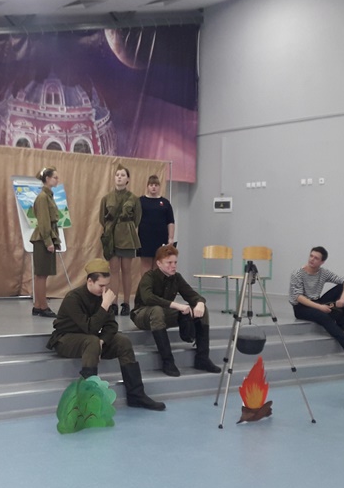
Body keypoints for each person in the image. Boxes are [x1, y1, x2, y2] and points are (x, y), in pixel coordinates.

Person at [46, 258, 166, 411]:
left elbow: (111, 326)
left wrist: (102, 341)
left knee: (123, 341)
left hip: (92, 340)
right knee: (91, 341)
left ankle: (136, 395)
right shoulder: (73, 298)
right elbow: (89, 328)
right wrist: (104, 306)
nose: (104, 290)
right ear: (90, 281)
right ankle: (88, 399)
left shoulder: (102, 297)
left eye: (106, 285)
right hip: (66, 339)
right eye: (101, 285)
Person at [132, 245, 222, 376]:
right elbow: (148, 298)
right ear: (159, 263)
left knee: (202, 310)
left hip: (164, 314)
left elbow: (192, 295)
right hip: (142, 314)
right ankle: (167, 361)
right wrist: (176, 305)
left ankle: (202, 358)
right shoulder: (149, 276)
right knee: (157, 311)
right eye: (169, 263)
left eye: (175, 262)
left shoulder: (176, 277)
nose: (173, 266)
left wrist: (200, 303)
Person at [289, 246, 344, 355]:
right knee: (323, 316)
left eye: (316, 258)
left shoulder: (323, 272)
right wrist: (320, 307)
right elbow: (298, 297)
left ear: (322, 262)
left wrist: (342, 299)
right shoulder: (297, 274)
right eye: (311, 256)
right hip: (301, 307)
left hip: (317, 301)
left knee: (341, 288)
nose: (312, 259)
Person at [99, 165, 141, 317]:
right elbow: (102, 219)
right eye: (117, 175)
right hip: (112, 238)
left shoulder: (133, 198)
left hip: (128, 238)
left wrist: (125, 227)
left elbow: (137, 219)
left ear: (128, 179)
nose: (119, 177)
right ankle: (114, 303)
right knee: (114, 271)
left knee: (127, 271)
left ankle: (126, 303)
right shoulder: (106, 198)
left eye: (123, 175)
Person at [30, 166, 61, 318]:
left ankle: (38, 306)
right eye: (55, 177)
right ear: (47, 179)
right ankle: (43, 307)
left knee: (42, 275)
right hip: (43, 239)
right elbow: (43, 222)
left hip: (44, 238)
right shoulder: (43, 197)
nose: (57, 180)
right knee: (41, 275)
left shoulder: (48, 196)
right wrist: (48, 241)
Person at [137, 175, 175, 276]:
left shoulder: (165, 203)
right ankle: (146, 285)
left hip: (161, 238)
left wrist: (171, 238)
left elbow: (170, 221)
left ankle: (156, 286)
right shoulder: (141, 201)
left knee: (158, 265)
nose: (153, 187)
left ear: (159, 187)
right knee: (145, 266)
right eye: (151, 185)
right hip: (145, 238)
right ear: (147, 186)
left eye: (156, 185)